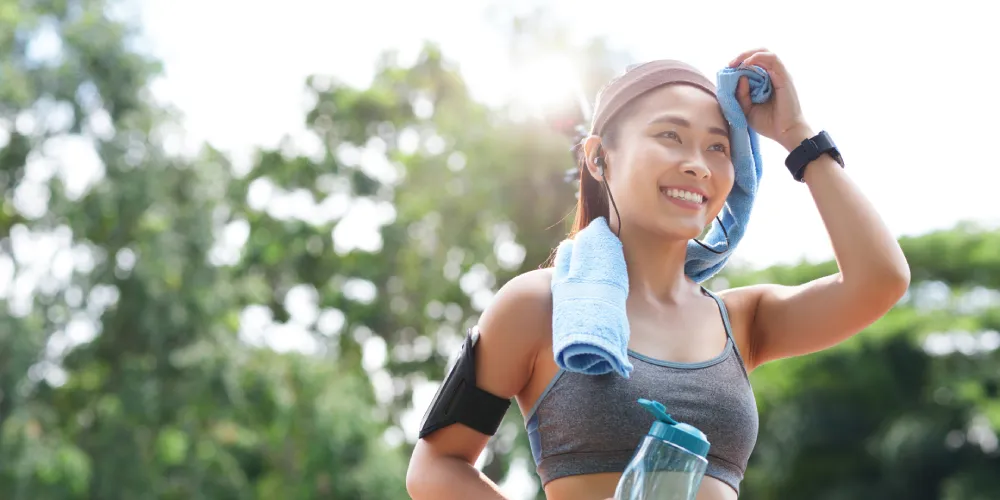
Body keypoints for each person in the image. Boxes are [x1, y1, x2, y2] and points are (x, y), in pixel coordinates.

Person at [405, 48, 910, 500]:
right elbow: (436, 466)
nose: (698, 165)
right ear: (600, 157)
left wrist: (797, 135)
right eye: (671, 136)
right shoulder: (540, 305)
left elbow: (881, 280)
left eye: (718, 147)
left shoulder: (743, 321)